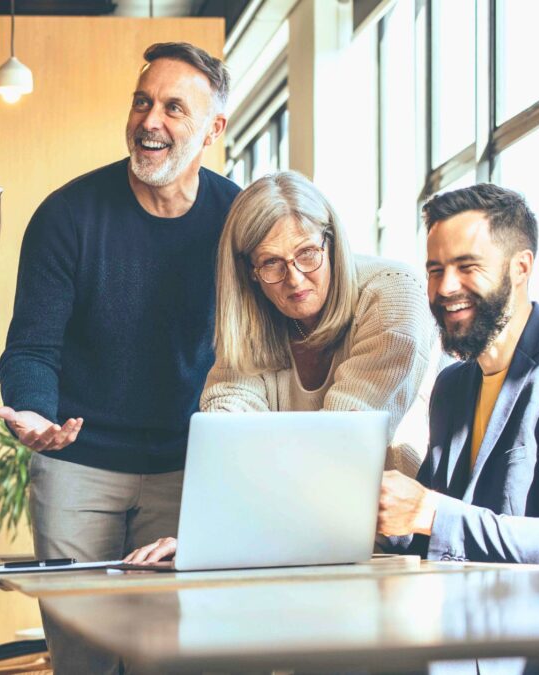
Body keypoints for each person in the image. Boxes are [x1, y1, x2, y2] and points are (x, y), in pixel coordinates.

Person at [0, 42, 239, 674]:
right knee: (83, 658)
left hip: (187, 471)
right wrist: (34, 414)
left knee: (171, 656)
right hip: (79, 467)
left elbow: (259, 351)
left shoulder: (237, 219)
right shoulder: (67, 215)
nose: (150, 120)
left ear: (213, 128)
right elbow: (32, 348)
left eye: (173, 108)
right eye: (142, 101)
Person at [125, 170, 434, 565]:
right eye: (271, 263)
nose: (295, 279)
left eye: (307, 253)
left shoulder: (394, 293)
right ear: (249, 273)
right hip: (296, 535)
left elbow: (340, 448)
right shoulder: (253, 321)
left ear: (332, 242)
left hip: (401, 542)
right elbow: (230, 436)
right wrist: (206, 538)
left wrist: (226, 535)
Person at [377, 183, 539, 566]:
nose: (445, 287)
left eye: (467, 267)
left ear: (520, 268)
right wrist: (381, 519)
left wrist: (429, 512)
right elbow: (432, 533)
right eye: (435, 269)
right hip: (460, 616)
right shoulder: (452, 386)